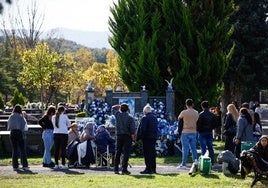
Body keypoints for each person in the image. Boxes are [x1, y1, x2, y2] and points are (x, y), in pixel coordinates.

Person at [112, 103, 136, 175]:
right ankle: (124, 169)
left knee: (118, 152)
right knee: (126, 153)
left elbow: (113, 108)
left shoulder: (117, 115)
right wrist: (133, 139)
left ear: (121, 109)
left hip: (119, 135)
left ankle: (116, 169)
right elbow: (132, 130)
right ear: (128, 109)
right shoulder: (130, 118)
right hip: (127, 136)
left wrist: (119, 106)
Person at [177, 99, 199, 169]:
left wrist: (179, 131)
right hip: (194, 131)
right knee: (193, 148)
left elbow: (179, 120)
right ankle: (195, 162)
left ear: (186, 104)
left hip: (185, 131)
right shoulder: (196, 112)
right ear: (192, 104)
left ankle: (183, 164)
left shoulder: (183, 112)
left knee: (185, 148)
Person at [137, 104, 158, 174]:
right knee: (152, 153)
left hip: (147, 138)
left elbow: (143, 129)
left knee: (147, 154)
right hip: (153, 137)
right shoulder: (154, 118)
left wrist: (139, 137)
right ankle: (153, 168)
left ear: (145, 111)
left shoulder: (144, 118)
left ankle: (148, 168)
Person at [7, 104, 29, 170]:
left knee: (15, 149)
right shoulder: (20, 117)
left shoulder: (11, 116)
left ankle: (15, 166)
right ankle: (24, 165)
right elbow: (24, 126)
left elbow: (8, 126)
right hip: (19, 133)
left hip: (12, 132)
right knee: (22, 149)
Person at [197, 101, 217, 165]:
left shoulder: (201, 114)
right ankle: (212, 161)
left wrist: (199, 130)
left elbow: (199, 124)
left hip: (202, 132)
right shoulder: (212, 114)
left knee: (203, 148)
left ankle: (204, 162)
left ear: (202, 106)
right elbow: (214, 124)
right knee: (210, 147)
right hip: (209, 132)